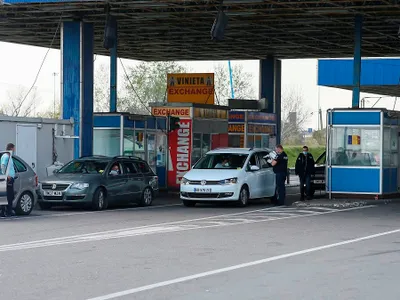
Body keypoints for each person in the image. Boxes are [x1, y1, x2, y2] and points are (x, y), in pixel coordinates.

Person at [1, 143, 16, 217]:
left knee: (10, 195)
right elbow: (3, 166)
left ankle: (8, 210)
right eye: (14, 148)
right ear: (11, 148)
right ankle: (6, 211)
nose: (14, 150)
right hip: (7, 179)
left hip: (11, 178)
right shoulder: (6, 156)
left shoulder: (10, 157)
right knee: (8, 196)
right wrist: (6, 176)